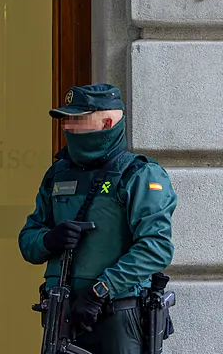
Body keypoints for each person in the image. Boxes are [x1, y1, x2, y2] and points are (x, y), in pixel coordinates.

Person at [19, 83, 178, 354]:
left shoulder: (140, 174)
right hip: (64, 314)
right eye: (67, 119)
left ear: (107, 122)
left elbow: (156, 248)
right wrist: (49, 239)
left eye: (78, 119)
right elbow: (28, 241)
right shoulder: (58, 174)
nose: (68, 127)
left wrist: (99, 291)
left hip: (118, 314)